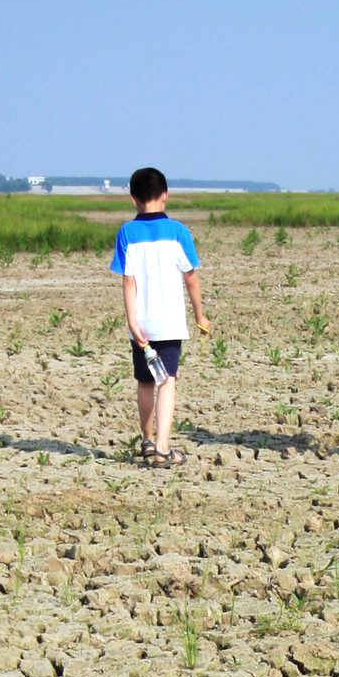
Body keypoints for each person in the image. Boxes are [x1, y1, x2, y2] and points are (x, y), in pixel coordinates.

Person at [110, 168, 208, 467]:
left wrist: (132, 322)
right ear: (165, 195)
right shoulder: (178, 231)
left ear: (133, 199)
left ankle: (148, 441)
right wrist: (200, 315)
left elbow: (128, 281)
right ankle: (163, 449)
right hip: (169, 323)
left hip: (141, 324)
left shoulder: (127, 232)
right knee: (167, 381)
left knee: (144, 382)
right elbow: (191, 278)